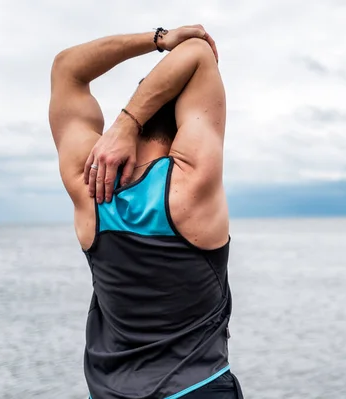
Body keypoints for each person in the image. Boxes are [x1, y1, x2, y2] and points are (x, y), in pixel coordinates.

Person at [49, 25, 242, 398]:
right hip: (197, 389)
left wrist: (158, 39)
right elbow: (198, 52)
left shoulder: (86, 182)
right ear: (185, 116)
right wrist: (126, 122)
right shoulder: (190, 184)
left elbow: (66, 67)